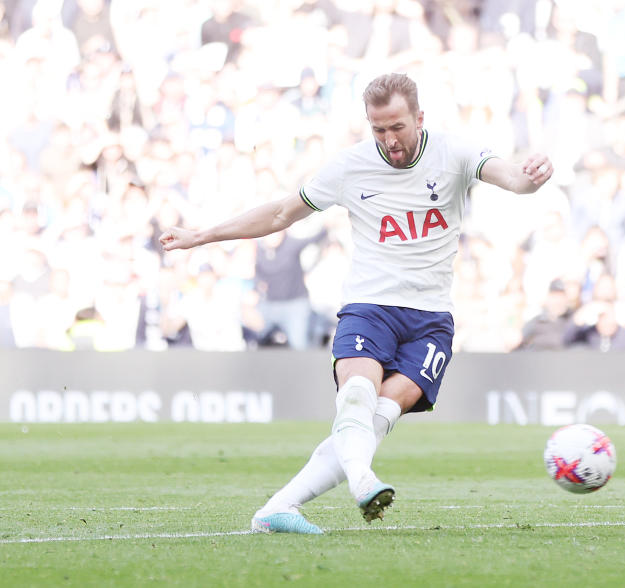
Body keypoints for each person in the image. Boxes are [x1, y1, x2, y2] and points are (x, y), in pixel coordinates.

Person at [158, 73, 553, 534]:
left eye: (397, 127)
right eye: (378, 129)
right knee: (357, 399)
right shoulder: (350, 167)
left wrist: (530, 178)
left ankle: (276, 509)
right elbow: (282, 212)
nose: (389, 140)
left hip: (431, 320)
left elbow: (510, 178)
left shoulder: (455, 153)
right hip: (371, 306)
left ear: (419, 118)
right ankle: (362, 482)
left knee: (378, 420)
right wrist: (203, 235)